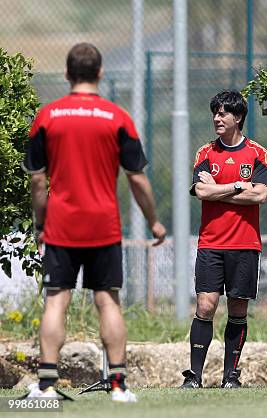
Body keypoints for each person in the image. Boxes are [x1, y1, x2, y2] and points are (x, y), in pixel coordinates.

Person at [23, 43, 166, 402]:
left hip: (62, 225)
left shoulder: (48, 117)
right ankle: (118, 385)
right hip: (104, 225)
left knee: (56, 300)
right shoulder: (118, 118)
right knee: (108, 300)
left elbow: (37, 180)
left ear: (68, 75)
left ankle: (47, 386)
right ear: (100, 73)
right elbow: (137, 178)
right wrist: (154, 222)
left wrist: (41, 224)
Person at [180, 91, 267, 389]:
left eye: (223, 114)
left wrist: (219, 189)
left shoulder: (257, 152)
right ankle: (194, 376)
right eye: (215, 113)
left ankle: (230, 377)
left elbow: (260, 195)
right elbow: (201, 192)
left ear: (238, 118)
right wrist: (235, 185)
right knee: (205, 307)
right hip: (210, 243)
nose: (217, 118)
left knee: (237, 310)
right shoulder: (205, 152)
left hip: (245, 244)